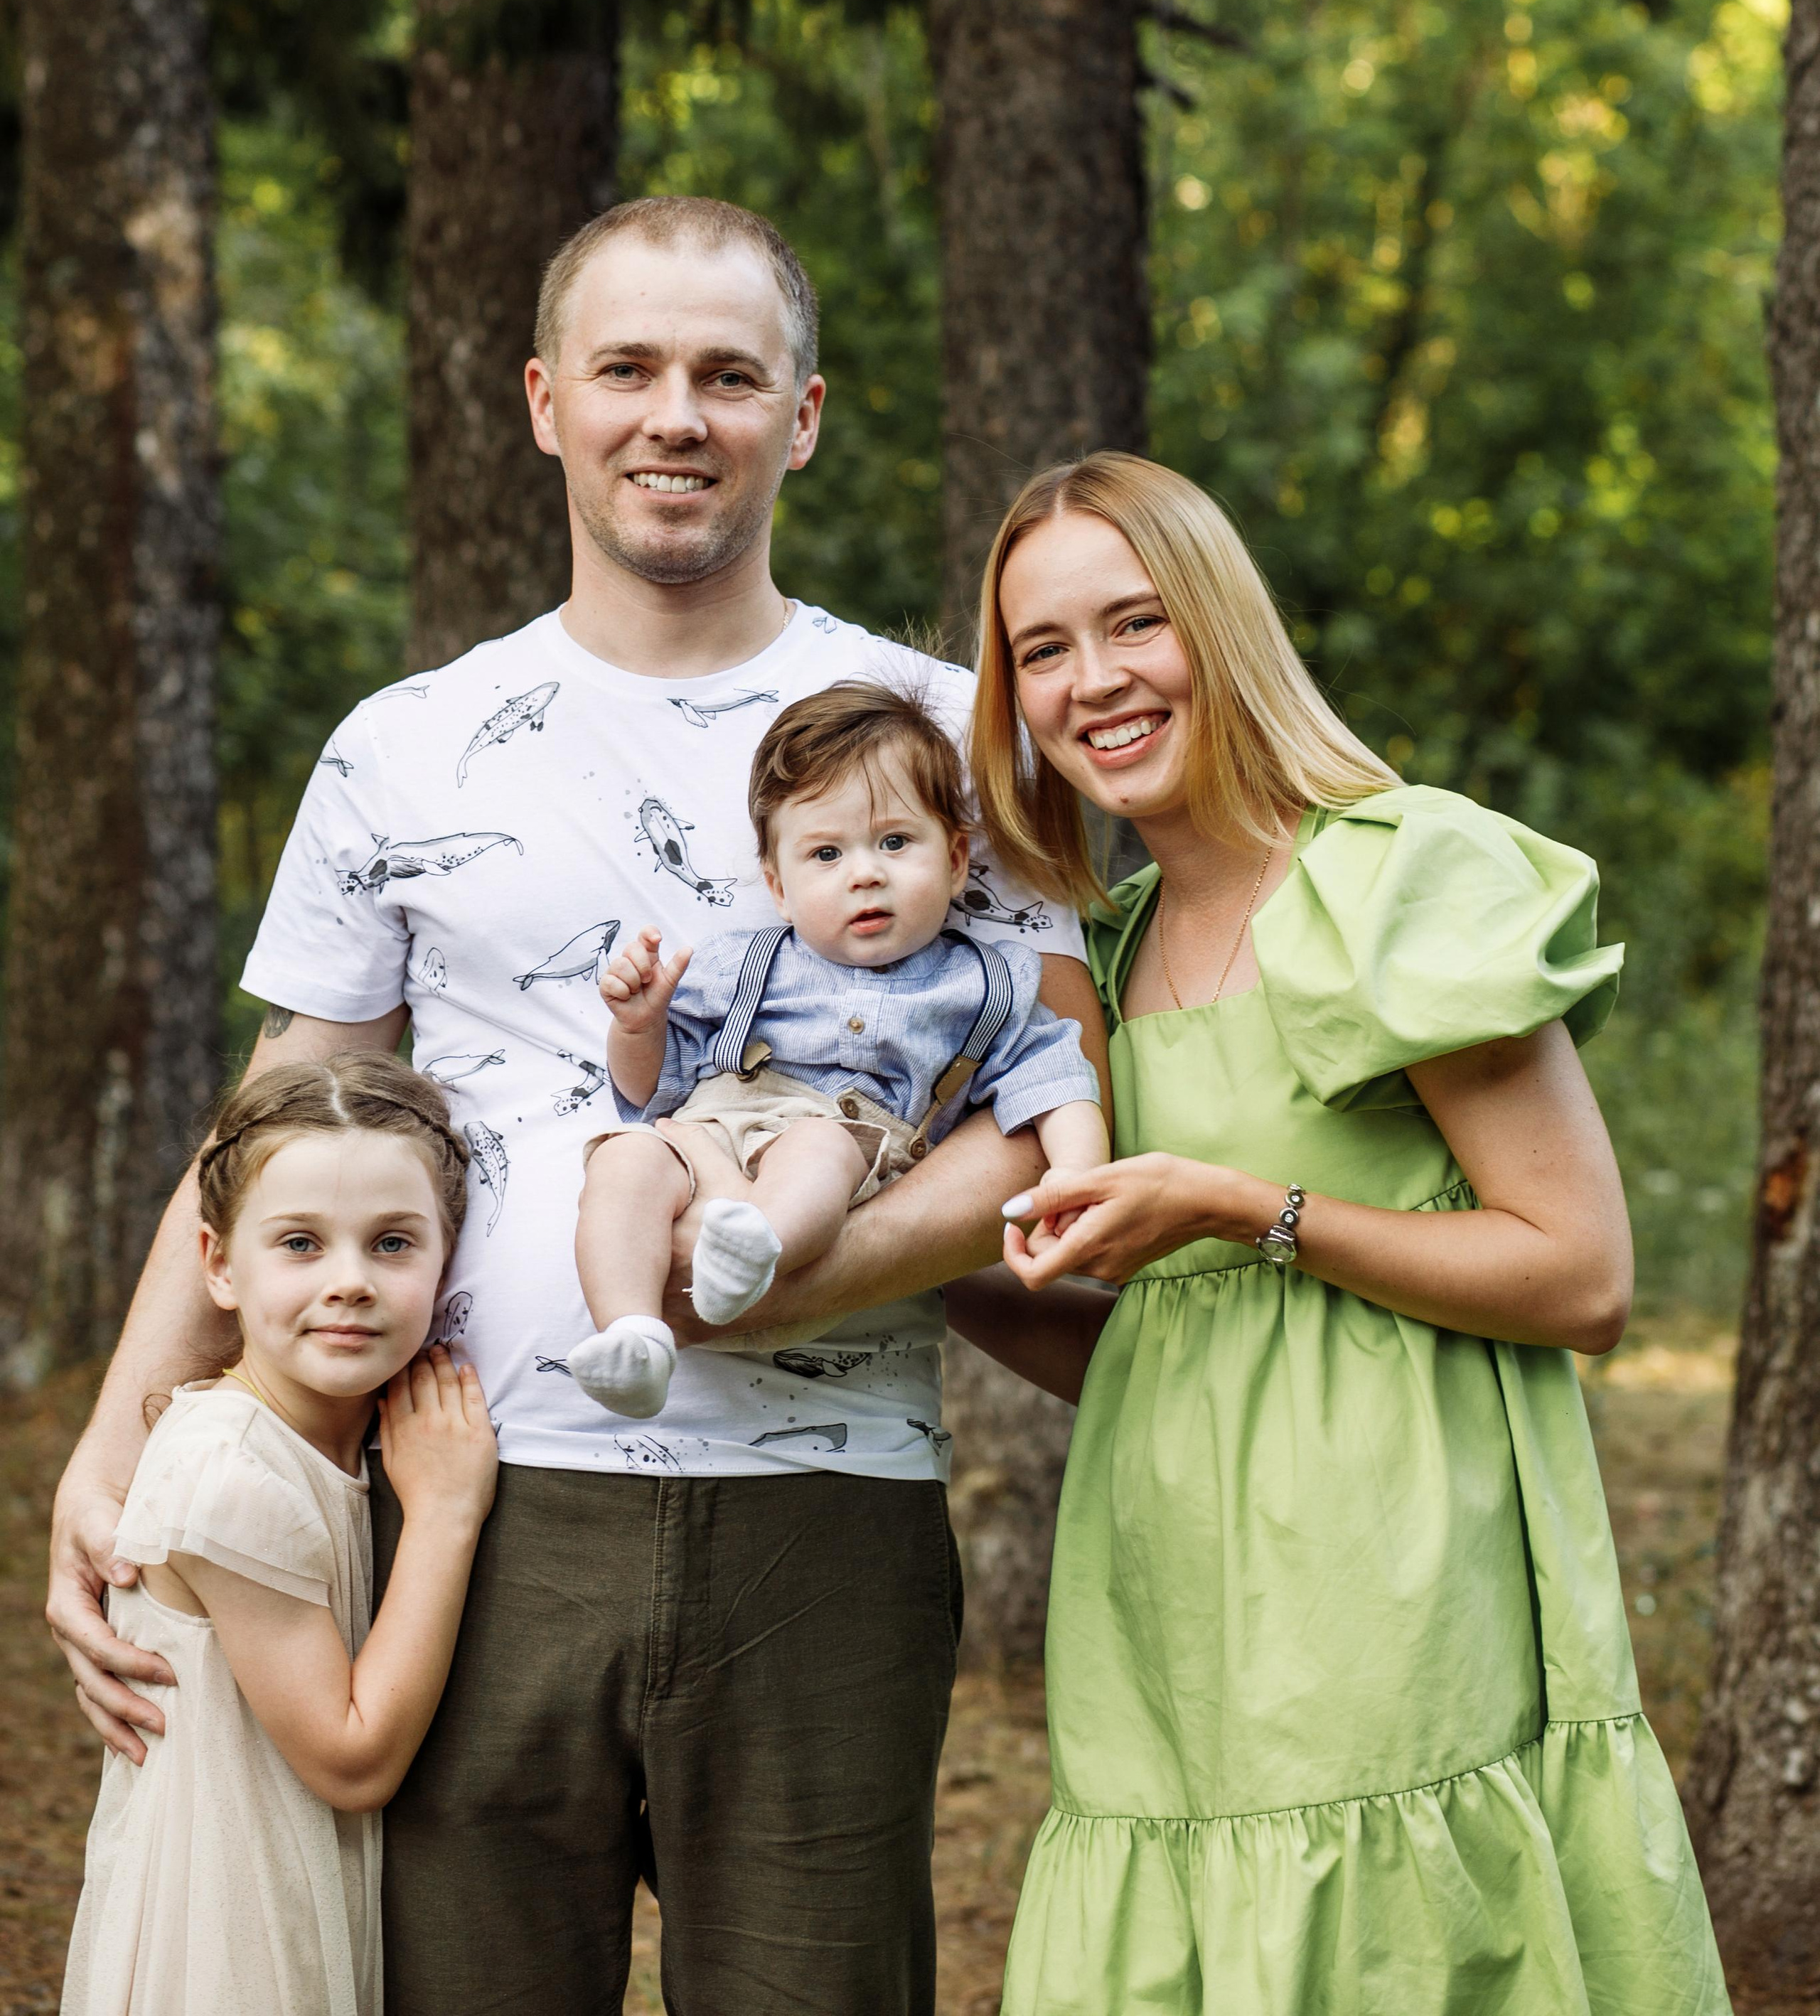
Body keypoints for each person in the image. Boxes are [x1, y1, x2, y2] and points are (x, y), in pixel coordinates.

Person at [47, 195, 1101, 2016]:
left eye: (725, 373)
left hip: (825, 1515)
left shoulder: (946, 728)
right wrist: (119, 1435)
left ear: (805, 413)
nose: (671, 413)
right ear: (546, 401)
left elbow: (1042, 1089)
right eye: (626, 367)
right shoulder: (404, 742)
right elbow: (286, 1105)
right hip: (473, 1495)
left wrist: (813, 1273)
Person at [948, 450, 1728, 2016]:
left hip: (1393, 1578)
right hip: (1168, 1598)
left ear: (1217, 626)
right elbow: (1171, 1339)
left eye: (1134, 624)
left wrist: (1252, 1209)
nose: (1092, 681)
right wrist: (917, 1278)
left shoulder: (1385, 881)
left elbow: (1580, 1276)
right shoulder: (1095, 960)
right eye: (1042, 649)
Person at [62, 1057, 496, 2016]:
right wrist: (446, 1515)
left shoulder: (319, 1445)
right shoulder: (228, 1472)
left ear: (448, 1257)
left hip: (288, 1902)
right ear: (218, 1263)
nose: (349, 1282)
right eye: (300, 1243)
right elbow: (352, 1758)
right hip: (225, 1944)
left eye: (392, 1243)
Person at [572, 679, 1106, 1413]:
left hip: (835, 1193)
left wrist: (1079, 1180)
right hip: (708, 1141)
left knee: (817, 1145)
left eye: (894, 842)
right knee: (623, 1156)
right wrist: (638, 1027)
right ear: (778, 886)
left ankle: (757, 1245)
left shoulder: (983, 984)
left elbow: (1055, 1079)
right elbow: (651, 1091)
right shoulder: (740, 964)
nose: (865, 873)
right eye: (826, 854)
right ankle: (633, 1334)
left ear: (955, 861)